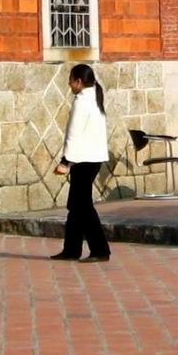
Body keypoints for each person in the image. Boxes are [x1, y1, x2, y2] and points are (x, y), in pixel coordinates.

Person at [51, 63, 112, 263]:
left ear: (78, 81)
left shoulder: (82, 101)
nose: (69, 84)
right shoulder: (95, 97)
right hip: (92, 158)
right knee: (76, 205)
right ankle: (71, 249)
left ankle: (100, 250)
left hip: (84, 159)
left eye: (71, 80)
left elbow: (74, 133)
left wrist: (65, 162)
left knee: (83, 206)